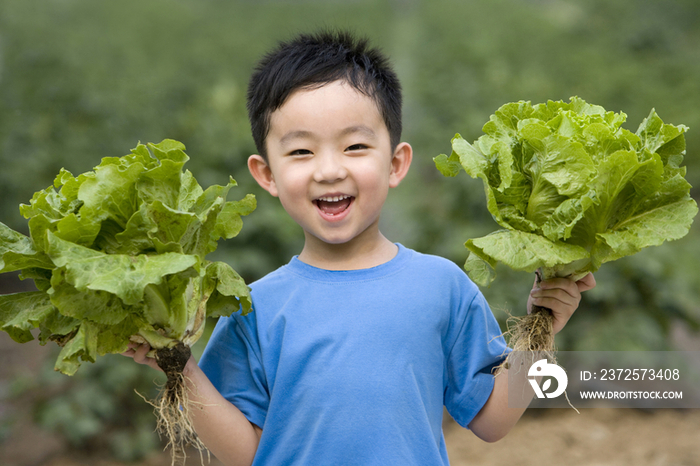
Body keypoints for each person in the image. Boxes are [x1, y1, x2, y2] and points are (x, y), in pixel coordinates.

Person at [123, 30, 596, 465]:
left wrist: (543, 326)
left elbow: (494, 421)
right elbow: (247, 452)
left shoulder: (441, 286)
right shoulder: (252, 306)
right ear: (266, 174)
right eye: (301, 151)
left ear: (395, 163)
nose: (329, 170)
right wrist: (178, 365)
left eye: (353, 147)